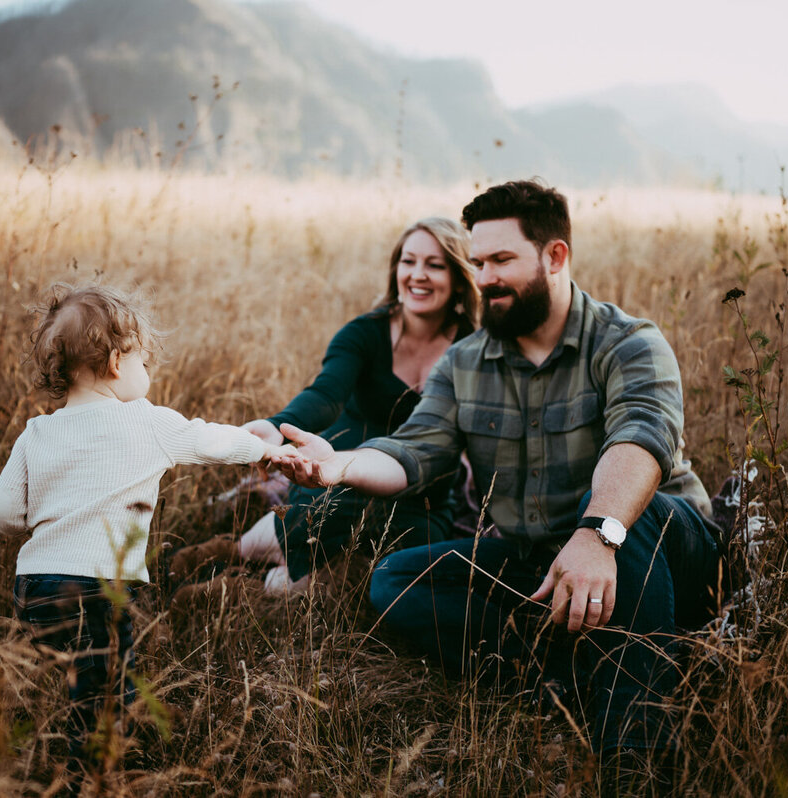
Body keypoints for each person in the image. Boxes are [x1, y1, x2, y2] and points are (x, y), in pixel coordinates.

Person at [273, 181, 722, 765]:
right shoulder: (463, 363)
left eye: (502, 260)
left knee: (637, 514)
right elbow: (414, 452)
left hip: (658, 553)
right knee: (396, 581)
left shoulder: (628, 342)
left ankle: (634, 757)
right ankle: (564, 673)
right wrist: (341, 466)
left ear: (555, 256)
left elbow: (641, 441)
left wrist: (596, 535)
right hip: (539, 562)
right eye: (479, 262)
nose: (484, 278)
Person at [0, 284, 293, 764]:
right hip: (98, 591)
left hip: (35, 589)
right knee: (107, 699)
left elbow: (2, 512)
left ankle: (66, 746)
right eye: (143, 362)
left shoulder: (36, 432)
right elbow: (207, 440)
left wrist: (34, 514)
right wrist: (266, 450)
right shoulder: (146, 422)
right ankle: (91, 776)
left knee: (79, 679)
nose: (147, 372)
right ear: (115, 363)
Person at [169, 218, 481, 593]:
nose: (417, 275)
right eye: (408, 261)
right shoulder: (365, 333)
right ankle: (231, 554)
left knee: (339, 582)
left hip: (419, 499)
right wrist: (278, 424)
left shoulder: (474, 348)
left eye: (435, 265)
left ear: (459, 276)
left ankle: (253, 586)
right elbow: (326, 395)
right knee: (280, 540)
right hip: (335, 474)